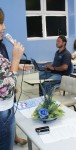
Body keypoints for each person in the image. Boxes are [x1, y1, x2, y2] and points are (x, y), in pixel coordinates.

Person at [0, 8, 24, 150]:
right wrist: (15, 60)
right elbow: (5, 90)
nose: (4, 27)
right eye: (1, 23)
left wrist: (17, 66)